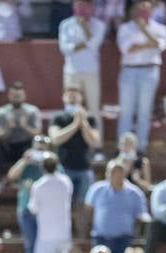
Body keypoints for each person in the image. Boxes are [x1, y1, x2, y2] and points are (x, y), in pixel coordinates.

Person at [116, 0, 166, 151]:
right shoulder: (125, 28)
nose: (143, 12)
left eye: (146, 9)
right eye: (139, 9)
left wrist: (144, 31)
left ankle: (140, 148)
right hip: (129, 70)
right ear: (133, 10)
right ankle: (123, 148)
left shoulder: (160, 29)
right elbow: (127, 49)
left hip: (149, 70)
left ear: (152, 10)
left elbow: (159, 46)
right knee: (126, 111)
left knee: (144, 112)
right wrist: (148, 44)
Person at [48, 86, 100, 237]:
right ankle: (63, 235)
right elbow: (55, 139)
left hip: (84, 169)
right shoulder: (58, 117)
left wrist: (83, 124)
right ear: (63, 97)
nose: (72, 98)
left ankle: (82, 237)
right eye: (69, 95)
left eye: (75, 95)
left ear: (81, 99)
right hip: (64, 168)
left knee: (83, 206)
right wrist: (74, 124)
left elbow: (94, 141)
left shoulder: (90, 119)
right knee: (62, 204)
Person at [58, 2, 106, 148]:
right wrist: (85, 43)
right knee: (71, 109)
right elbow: (65, 48)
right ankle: (71, 144)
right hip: (71, 71)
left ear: (92, 7)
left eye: (86, 5)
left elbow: (94, 45)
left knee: (93, 109)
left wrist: (85, 29)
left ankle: (97, 146)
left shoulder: (98, 25)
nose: (83, 9)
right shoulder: (66, 24)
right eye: (80, 5)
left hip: (91, 71)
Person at [84, 160, 147, 253]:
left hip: (123, 239)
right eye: (112, 172)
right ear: (107, 173)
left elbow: (140, 216)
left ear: (124, 173)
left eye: (119, 172)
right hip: (100, 238)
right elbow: (88, 210)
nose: (115, 175)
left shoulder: (135, 193)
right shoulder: (96, 189)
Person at [7, 133, 53, 253]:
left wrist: (46, 163)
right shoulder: (26, 162)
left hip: (45, 210)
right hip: (26, 208)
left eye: (43, 148)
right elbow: (11, 176)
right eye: (38, 148)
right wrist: (24, 161)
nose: (40, 151)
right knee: (30, 241)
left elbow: (57, 180)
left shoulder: (51, 164)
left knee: (44, 241)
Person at [28, 154, 74, 253]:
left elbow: (33, 208)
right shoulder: (66, 181)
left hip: (46, 235)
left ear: (42, 168)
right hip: (63, 233)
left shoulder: (38, 185)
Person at [0, 81, 41, 172]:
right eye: (14, 96)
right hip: (7, 147)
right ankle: (4, 176)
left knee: (35, 147)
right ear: (9, 96)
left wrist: (25, 126)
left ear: (24, 96)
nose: (16, 98)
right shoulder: (0, 112)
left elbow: (37, 133)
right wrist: (9, 127)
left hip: (26, 145)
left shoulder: (32, 111)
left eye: (19, 96)